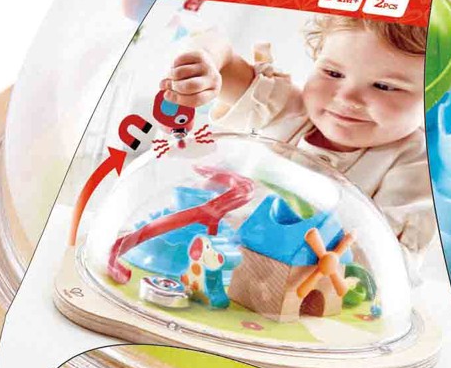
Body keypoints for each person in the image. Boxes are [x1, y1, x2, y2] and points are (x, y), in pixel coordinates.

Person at [161, 14, 435, 263]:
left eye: (384, 86)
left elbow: (385, 264)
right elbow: (219, 51)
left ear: (434, 95)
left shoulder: (419, 167)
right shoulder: (286, 106)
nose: (346, 98)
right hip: (209, 255)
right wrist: (204, 62)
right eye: (333, 73)